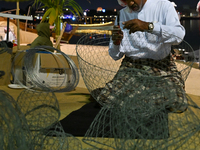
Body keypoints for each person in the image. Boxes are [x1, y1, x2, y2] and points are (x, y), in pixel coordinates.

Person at [97, 0, 187, 113]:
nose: (130, 4)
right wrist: (116, 42)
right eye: (125, 1)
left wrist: (148, 26)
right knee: (105, 98)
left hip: (161, 66)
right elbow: (115, 55)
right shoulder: (122, 15)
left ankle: (141, 97)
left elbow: (178, 35)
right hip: (131, 66)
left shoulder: (164, 6)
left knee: (177, 103)